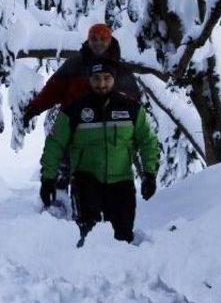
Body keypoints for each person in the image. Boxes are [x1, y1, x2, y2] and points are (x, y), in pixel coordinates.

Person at [39, 65, 159, 247]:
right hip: (86, 182)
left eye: (106, 78)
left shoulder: (132, 109)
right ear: (89, 80)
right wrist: (48, 179)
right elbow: (55, 144)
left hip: (121, 184)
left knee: (123, 238)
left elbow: (148, 141)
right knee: (87, 237)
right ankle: (83, 274)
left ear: (114, 79)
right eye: (96, 78)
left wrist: (149, 175)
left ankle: (122, 273)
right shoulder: (74, 109)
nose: (101, 84)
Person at [22, 23, 139, 127]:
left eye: (103, 39)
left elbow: (133, 100)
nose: (98, 43)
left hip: (110, 128)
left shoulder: (120, 69)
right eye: (94, 39)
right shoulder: (74, 64)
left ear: (109, 41)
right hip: (75, 124)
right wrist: (35, 107)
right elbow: (53, 89)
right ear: (88, 41)